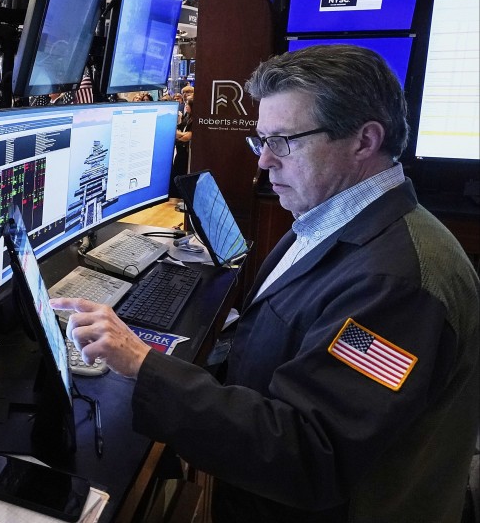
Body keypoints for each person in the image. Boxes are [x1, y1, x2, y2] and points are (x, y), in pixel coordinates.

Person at [52, 45, 479, 522]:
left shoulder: (398, 286)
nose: (264, 163)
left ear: (365, 141)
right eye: (262, 142)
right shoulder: (329, 217)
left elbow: (309, 455)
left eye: (284, 142)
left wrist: (142, 364)